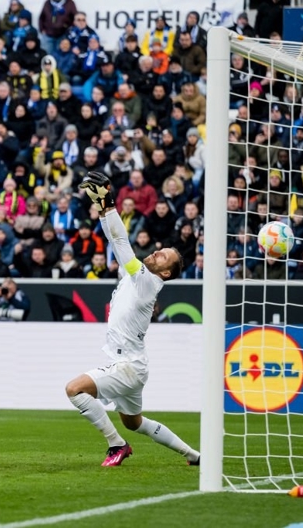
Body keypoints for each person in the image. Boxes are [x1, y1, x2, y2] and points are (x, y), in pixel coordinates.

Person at [66, 171, 200, 467]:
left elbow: (120, 238)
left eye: (163, 256)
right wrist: (103, 208)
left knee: (74, 390)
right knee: (134, 422)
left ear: (166, 273)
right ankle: (194, 455)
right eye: (159, 250)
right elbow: (114, 239)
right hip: (135, 366)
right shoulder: (139, 276)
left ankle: (117, 446)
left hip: (127, 366)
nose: (156, 253)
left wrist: (110, 203)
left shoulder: (147, 280)